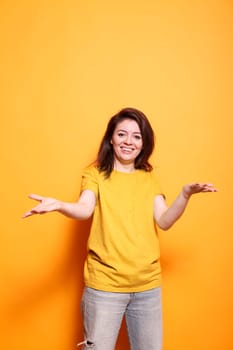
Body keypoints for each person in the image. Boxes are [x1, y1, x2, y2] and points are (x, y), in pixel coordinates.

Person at [23, 107, 217, 350]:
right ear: (111, 138)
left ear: (144, 142)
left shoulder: (148, 177)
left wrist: (185, 195)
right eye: (122, 134)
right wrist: (59, 205)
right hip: (105, 286)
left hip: (147, 287)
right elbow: (85, 209)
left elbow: (165, 221)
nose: (129, 142)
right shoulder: (94, 174)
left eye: (136, 136)